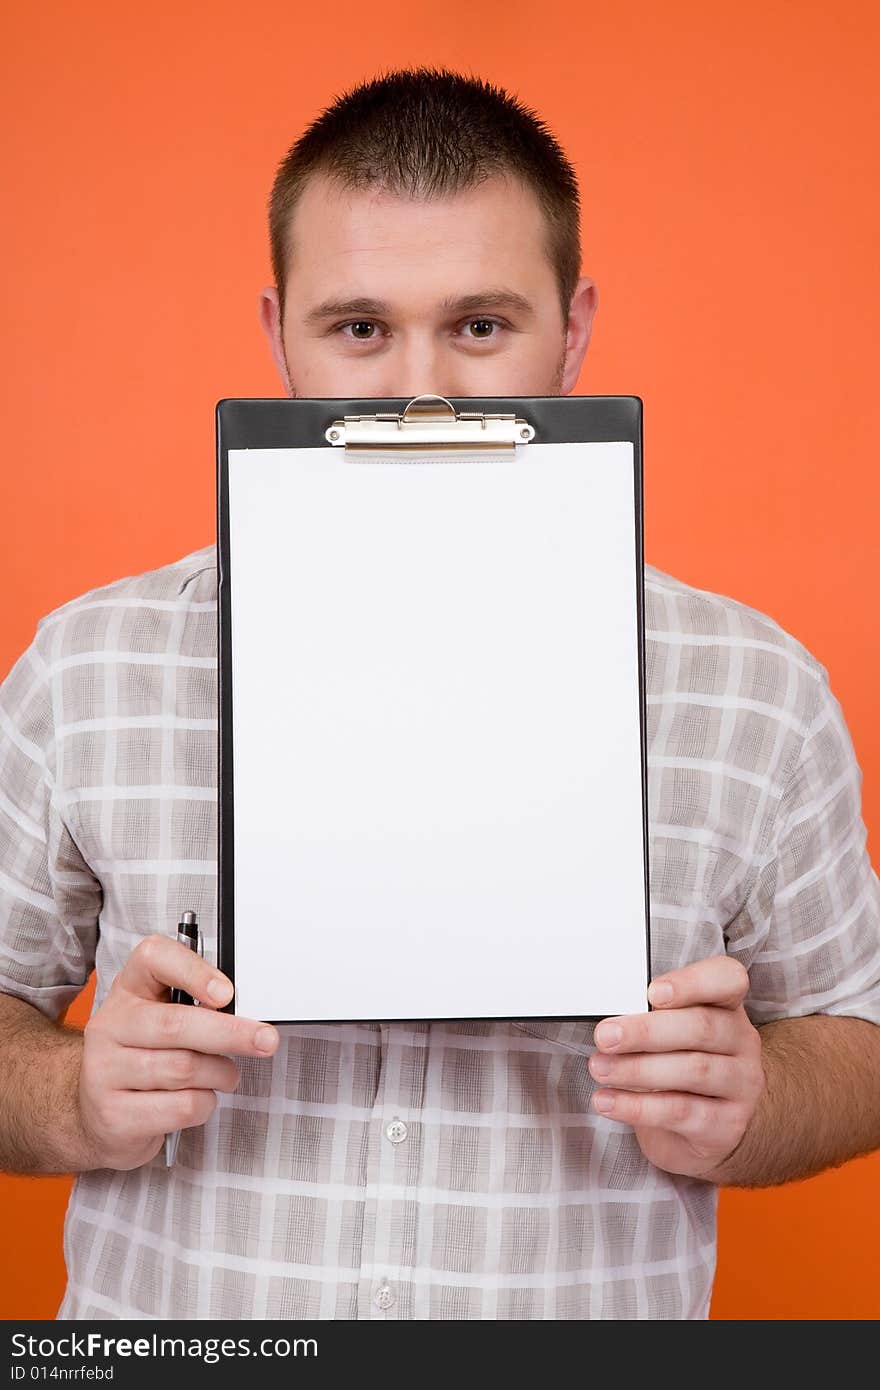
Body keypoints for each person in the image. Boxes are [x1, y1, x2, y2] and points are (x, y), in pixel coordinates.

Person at [1, 67, 879, 1323]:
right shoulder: (88, 665)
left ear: (572, 331)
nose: (423, 392)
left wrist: (756, 1100)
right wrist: (74, 1094)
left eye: (480, 326)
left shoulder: (754, 688)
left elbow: (861, 1031)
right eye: (360, 326)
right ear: (278, 333)